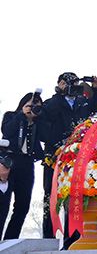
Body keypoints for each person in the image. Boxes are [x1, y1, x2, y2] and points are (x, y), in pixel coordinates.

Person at [41, 73, 97, 248]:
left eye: (75, 84)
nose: (73, 87)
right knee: (52, 196)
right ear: (60, 84)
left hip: (76, 157)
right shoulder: (51, 103)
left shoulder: (82, 102)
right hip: (55, 157)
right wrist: (60, 93)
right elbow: (44, 121)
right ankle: (48, 238)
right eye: (68, 84)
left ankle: (73, 239)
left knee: (74, 196)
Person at [0, 92, 49, 240]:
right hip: (9, 163)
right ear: (23, 105)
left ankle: (10, 240)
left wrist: (38, 117)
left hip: (27, 165)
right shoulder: (11, 116)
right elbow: (6, 132)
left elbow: (46, 136)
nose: (34, 108)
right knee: (3, 205)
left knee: (22, 206)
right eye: (30, 105)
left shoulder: (38, 123)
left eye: (37, 106)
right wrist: (22, 114)